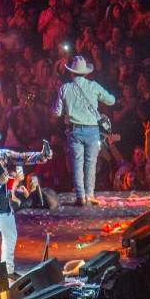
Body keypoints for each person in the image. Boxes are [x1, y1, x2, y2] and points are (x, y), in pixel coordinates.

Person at [0, 128, 51, 279]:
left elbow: (21, 157)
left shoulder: (1, 155)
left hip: (2, 205)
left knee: (10, 236)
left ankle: (8, 272)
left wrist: (41, 155)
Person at [52, 55, 116, 206]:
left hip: (75, 131)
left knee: (77, 163)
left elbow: (56, 112)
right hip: (92, 131)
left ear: (72, 73)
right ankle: (90, 194)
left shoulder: (64, 88)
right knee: (91, 163)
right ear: (86, 73)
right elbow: (111, 100)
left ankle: (81, 196)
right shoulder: (93, 86)